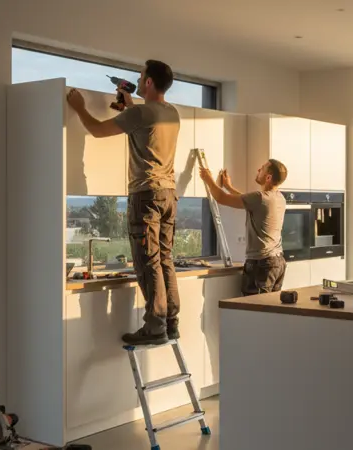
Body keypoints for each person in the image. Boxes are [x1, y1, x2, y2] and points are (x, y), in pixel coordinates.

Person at [66, 60, 181, 346]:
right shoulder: (171, 113)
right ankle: (170, 323)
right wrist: (128, 104)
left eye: (141, 77)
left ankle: (154, 327)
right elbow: (145, 124)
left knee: (147, 263)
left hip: (146, 195)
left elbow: (97, 130)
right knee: (164, 260)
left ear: (150, 82)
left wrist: (80, 106)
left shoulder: (142, 112)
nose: (138, 80)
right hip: (168, 194)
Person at [199, 160, 288, 295]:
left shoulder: (260, 198)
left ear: (268, 177)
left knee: (254, 310)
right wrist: (228, 187)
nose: (258, 169)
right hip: (277, 262)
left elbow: (221, 198)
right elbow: (246, 200)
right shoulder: (279, 197)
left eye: (262, 168)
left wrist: (208, 179)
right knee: (268, 311)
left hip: (262, 264)